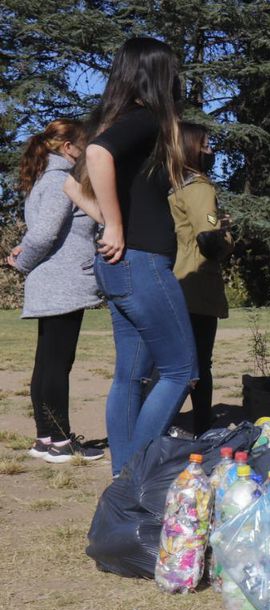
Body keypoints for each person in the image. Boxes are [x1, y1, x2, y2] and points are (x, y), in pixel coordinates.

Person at [80, 37, 198, 477]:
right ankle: (140, 474)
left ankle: (123, 483)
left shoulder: (118, 118)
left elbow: (80, 182)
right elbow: (97, 154)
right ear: (155, 75)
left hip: (121, 267)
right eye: (172, 70)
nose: (178, 79)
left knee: (130, 377)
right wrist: (113, 225)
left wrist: (112, 224)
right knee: (180, 369)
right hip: (143, 264)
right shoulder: (147, 118)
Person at [6, 120, 104, 463]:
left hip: (51, 282)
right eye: (85, 145)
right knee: (57, 363)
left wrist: (22, 255)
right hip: (63, 282)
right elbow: (46, 234)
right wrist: (23, 261)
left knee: (46, 362)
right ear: (68, 149)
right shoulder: (63, 180)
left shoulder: (42, 181)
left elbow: (40, 233)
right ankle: (61, 443)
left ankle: (45, 438)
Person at [170, 122, 233, 434]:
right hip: (198, 284)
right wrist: (226, 234)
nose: (212, 151)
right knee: (198, 364)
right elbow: (208, 238)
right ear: (192, 149)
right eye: (206, 145)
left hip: (176, 280)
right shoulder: (200, 189)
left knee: (174, 361)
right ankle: (202, 427)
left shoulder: (174, 188)